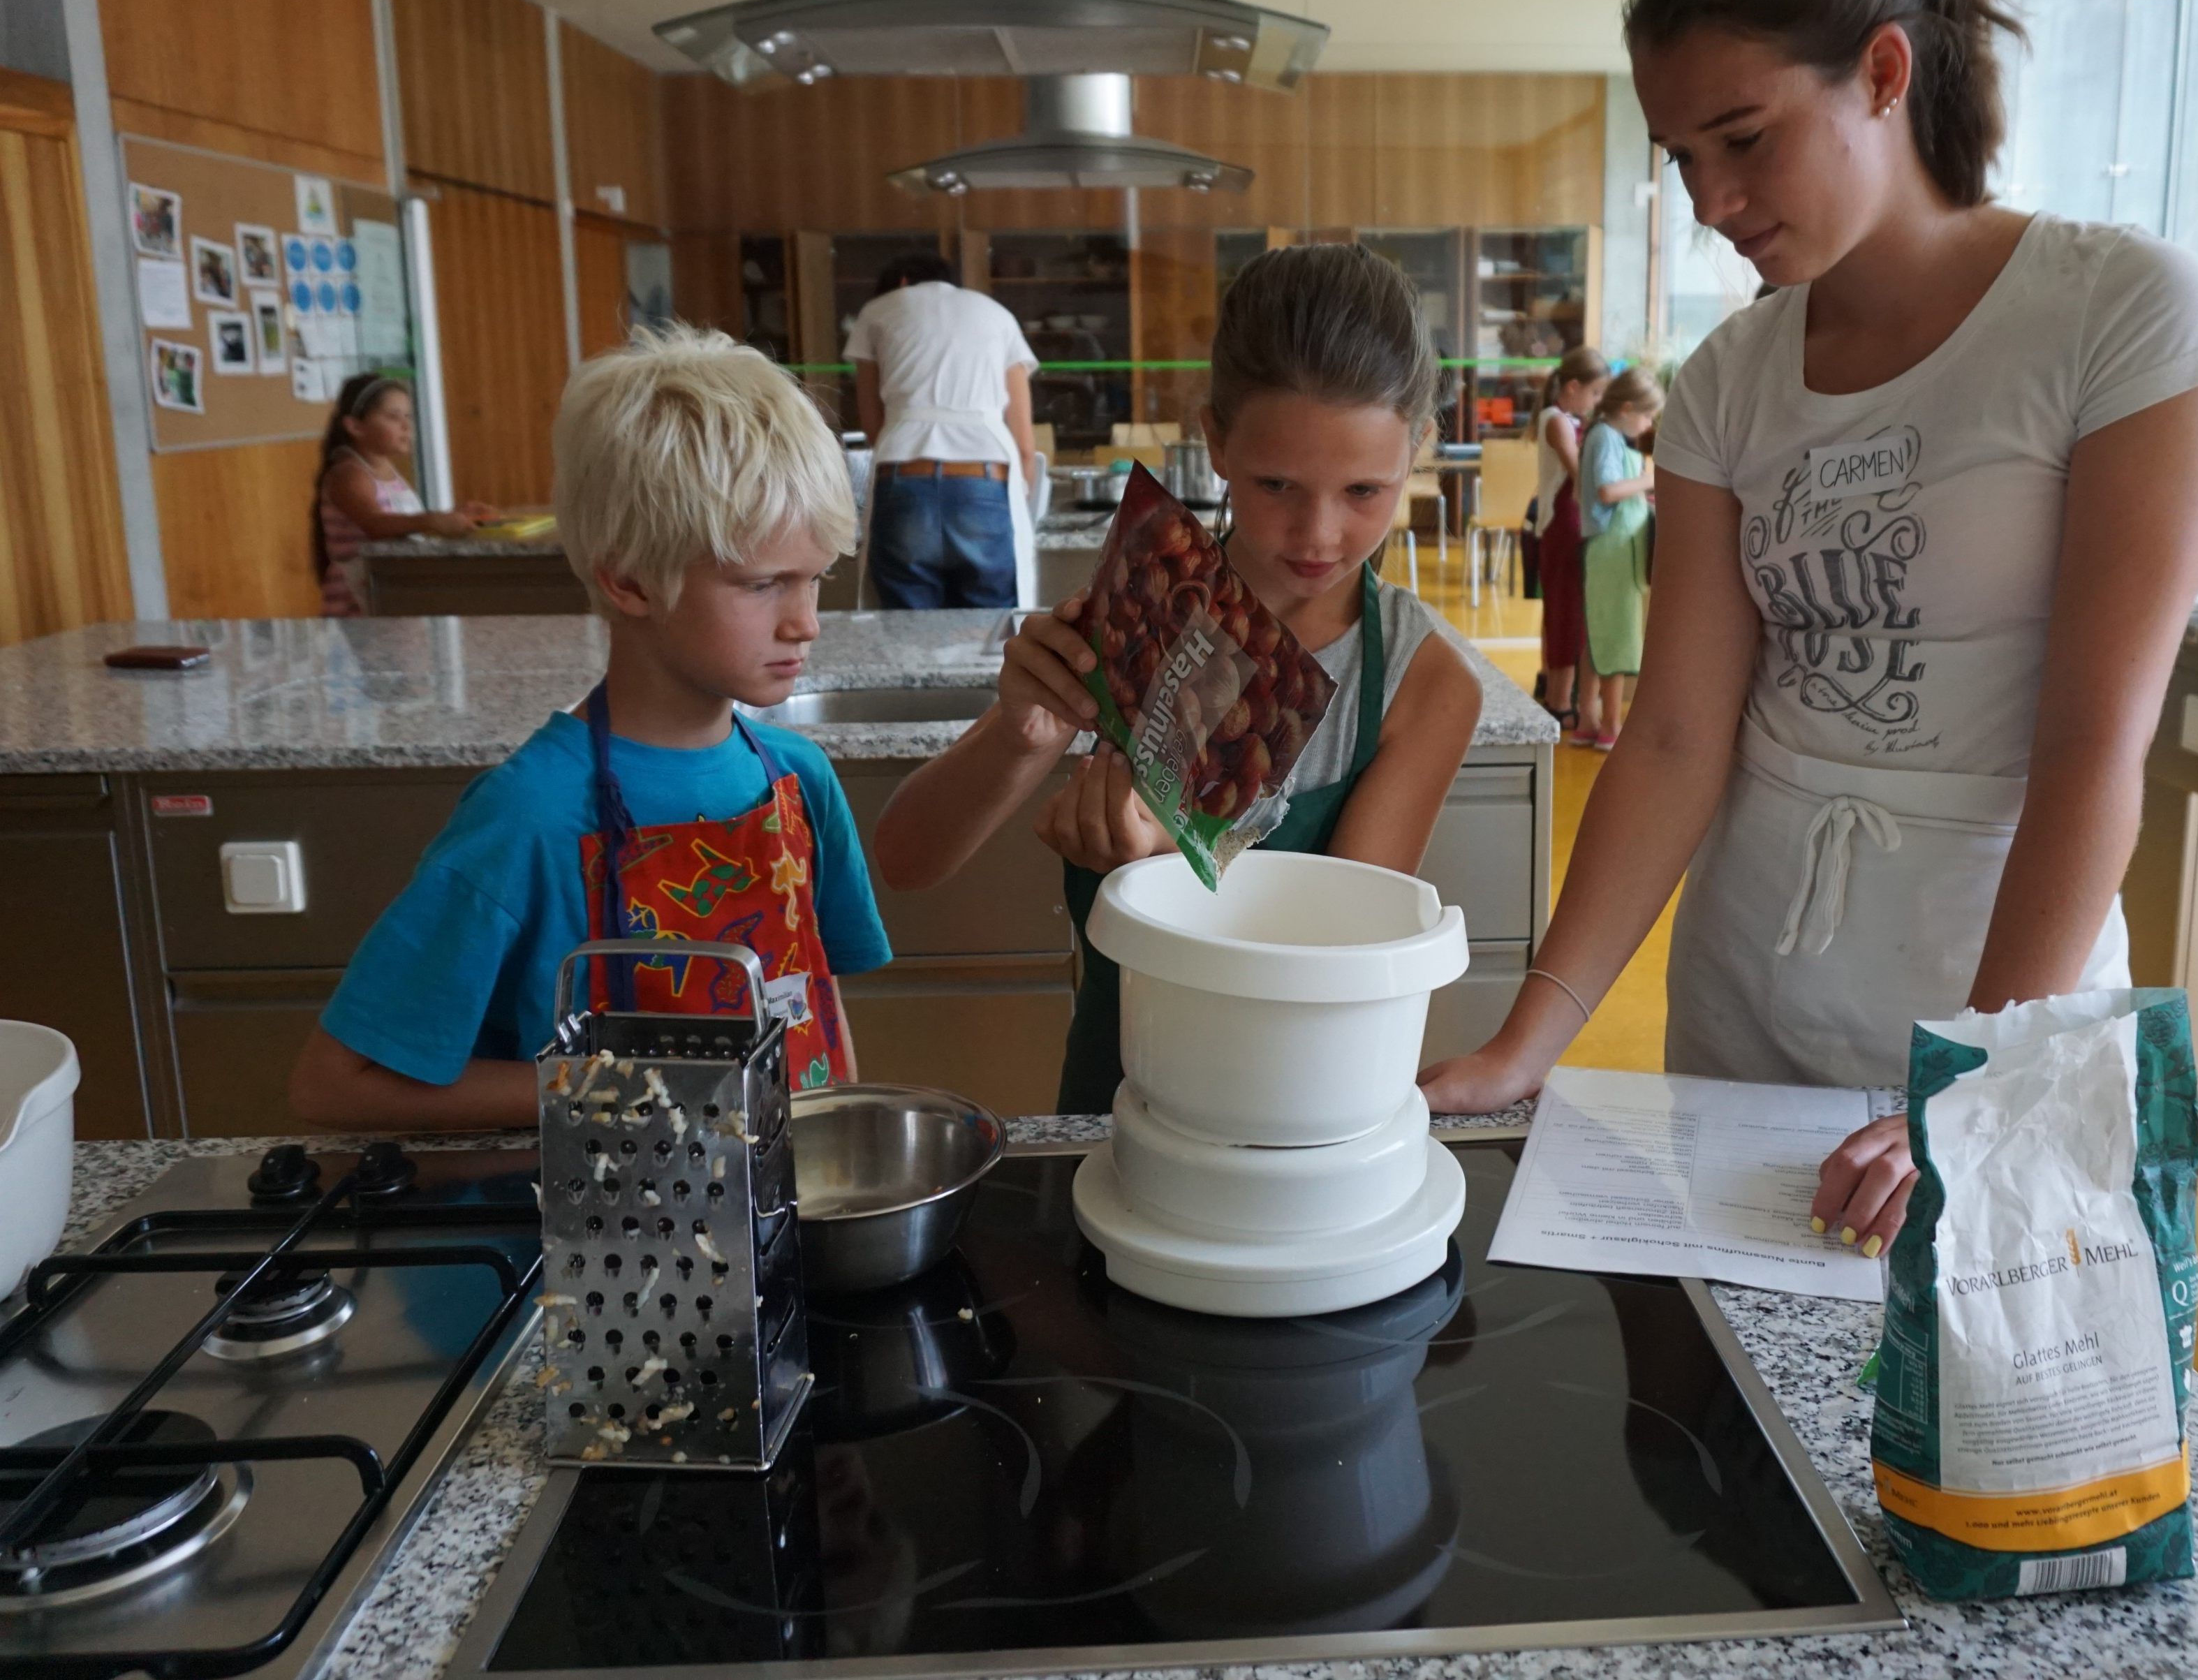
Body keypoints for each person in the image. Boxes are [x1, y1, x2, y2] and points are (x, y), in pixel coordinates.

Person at [1421, 0, 2198, 1262]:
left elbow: (2091, 741)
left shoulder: (2117, 316)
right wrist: (1531, 1034)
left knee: (1967, 1425)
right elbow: (1678, 735)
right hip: (1745, 983)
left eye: (1741, 138)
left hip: (1992, 991)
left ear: (1881, 72)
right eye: (1679, 158)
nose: (1712, 201)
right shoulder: (1730, 378)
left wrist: (1973, 1087)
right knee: (1715, 1437)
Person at [872, 244, 1486, 1114]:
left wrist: (1170, 867)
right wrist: (1020, 734)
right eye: (1276, 484)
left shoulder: (1421, 682)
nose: (1317, 534)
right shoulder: (1141, 606)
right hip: (1118, 1097)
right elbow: (903, 861)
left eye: (1363, 491)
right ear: (1214, 443)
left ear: (1417, 451)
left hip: (1306, 1108)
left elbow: (1344, 952)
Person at [288, 327, 892, 1130]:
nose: (806, 623)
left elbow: (818, 1007)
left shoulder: (796, 778)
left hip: (785, 1211)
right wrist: (621, 1088)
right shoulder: (528, 818)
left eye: (815, 579)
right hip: (594, 1237)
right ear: (629, 580)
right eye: (762, 584)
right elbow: (333, 1085)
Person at [848, 252, 1042, 610]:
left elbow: (874, 428)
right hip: (985, 481)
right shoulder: (996, 315)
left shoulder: (876, 312)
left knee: (911, 639)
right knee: (987, 640)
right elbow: (1025, 444)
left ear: (903, 282)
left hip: (905, 477)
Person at [310, 374, 492, 616]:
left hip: (391, 591)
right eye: (393, 417)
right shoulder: (349, 474)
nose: (406, 426)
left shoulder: (389, 472)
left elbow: (402, 522)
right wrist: (431, 520)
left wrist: (452, 516)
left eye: (408, 416)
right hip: (358, 603)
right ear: (355, 426)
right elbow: (376, 524)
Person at [1575, 367, 1661, 751]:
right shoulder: (1607, 436)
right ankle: (1611, 725)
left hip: (1612, 551)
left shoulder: (1604, 435)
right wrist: (1651, 480)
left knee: (1600, 634)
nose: (1647, 425)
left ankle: (1587, 721)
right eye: (1646, 416)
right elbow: (1609, 490)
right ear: (1627, 408)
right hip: (1612, 552)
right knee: (1618, 636)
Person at [1529, 346, 1607, 734]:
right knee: (1567, 614)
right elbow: (1582, 478)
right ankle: (1560, 703)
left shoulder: (1566, 419)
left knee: (1561, 610)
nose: (1596, 403)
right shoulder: (1557, 421)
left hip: (1568, 521)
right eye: (1594, 394)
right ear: (1573, 386)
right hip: (1564, 523)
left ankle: (1551, 685)